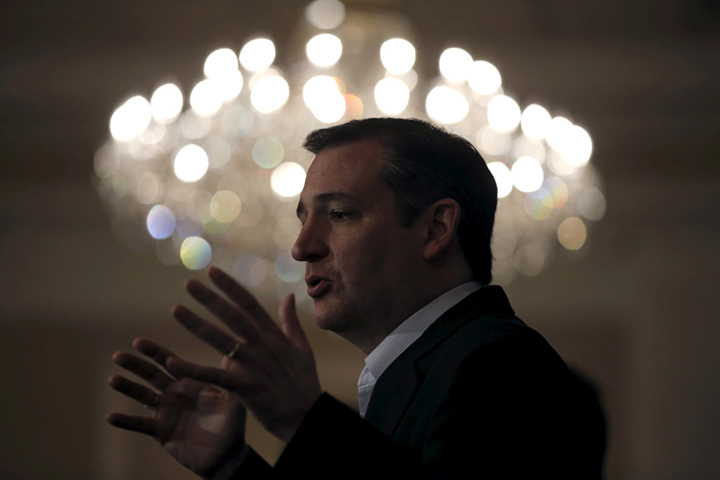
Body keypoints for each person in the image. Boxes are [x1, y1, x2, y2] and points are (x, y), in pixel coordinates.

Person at [107, 118, 606, 479]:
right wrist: (234, 466)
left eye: (340, 214)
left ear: (434, 228)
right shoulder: (424, 366)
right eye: (302, 218)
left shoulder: (498, 364)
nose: (302, 247)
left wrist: (304, 419)